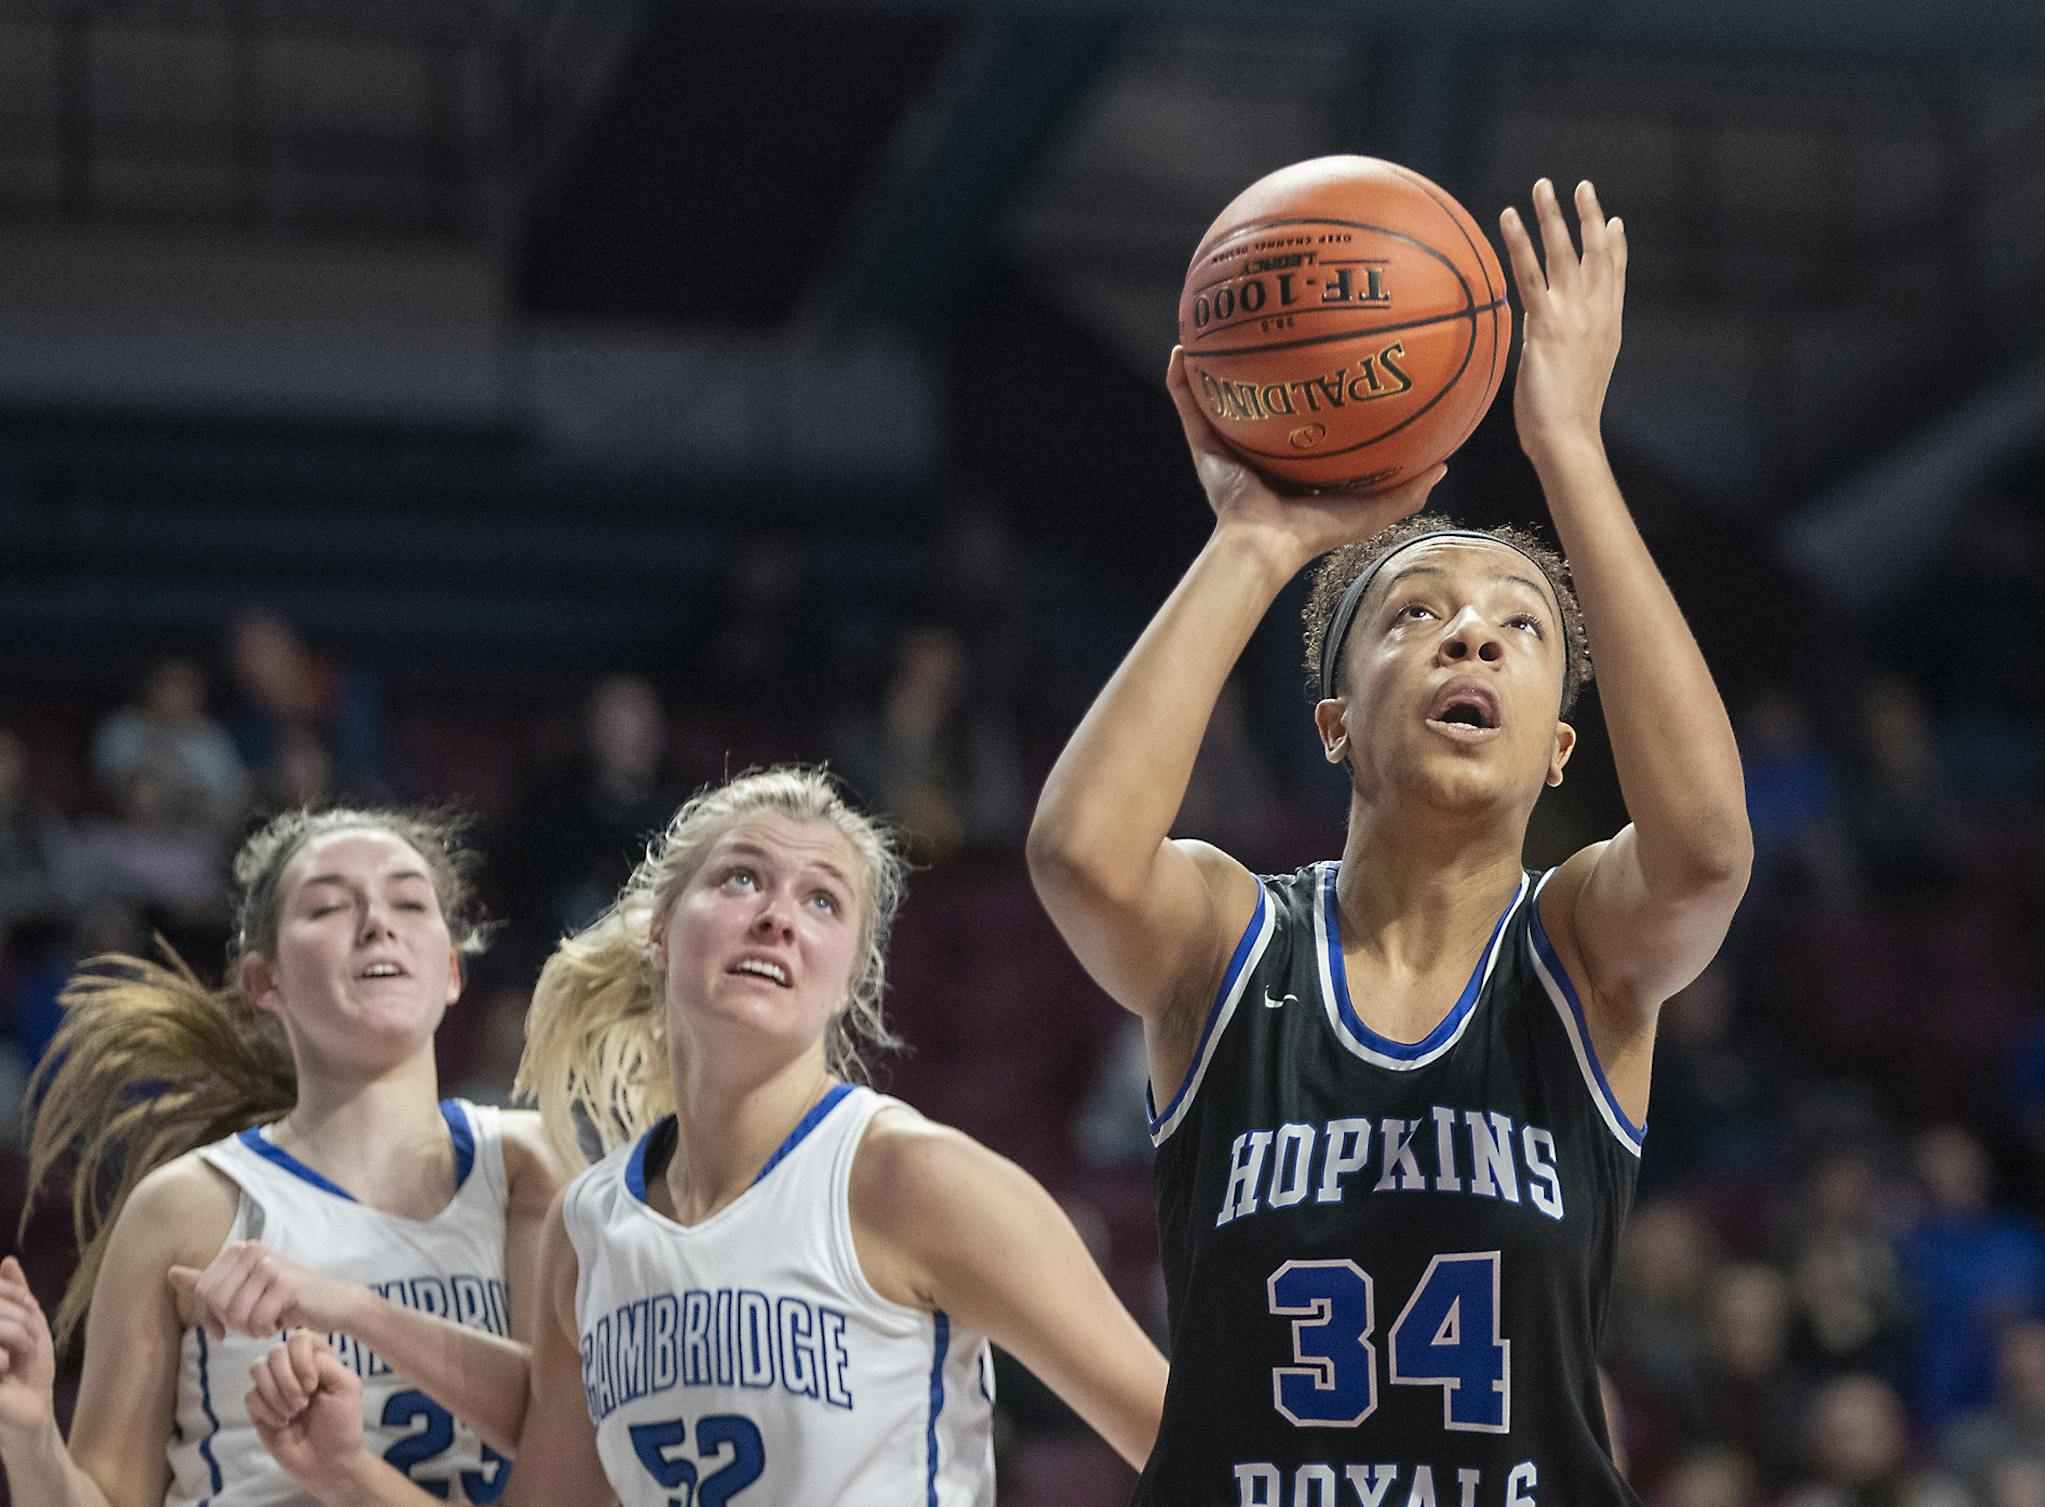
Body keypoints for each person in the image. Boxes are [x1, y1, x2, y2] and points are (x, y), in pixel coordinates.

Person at [1026, 178, 1751, 1505]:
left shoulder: (1578, 952)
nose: (1472, 632)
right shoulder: (1232, 940)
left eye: (1522, 627)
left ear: (1559, 750)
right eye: (1414, 613)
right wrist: (1256, 539)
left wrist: (1569, 449)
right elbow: (1080, 855)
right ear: (1337, 723)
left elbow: (1704, 849)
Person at [237, 766, 1168, 1506]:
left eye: (822, 901)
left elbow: (1191, 1444)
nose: (777, 913)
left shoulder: (909, 1179)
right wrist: (345, 1471)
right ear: (659, 931)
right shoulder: (588, 1227)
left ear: (851, 976)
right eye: (742, 878)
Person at [0, 806, 565, 1506]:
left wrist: (353, 1315)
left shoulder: (527, 1165)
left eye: (410, 900)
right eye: (329, 904)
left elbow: (572, 1444)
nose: (376, 921)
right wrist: (27, 1436)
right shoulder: (186, 1205)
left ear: (452, 970)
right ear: (264, 981)